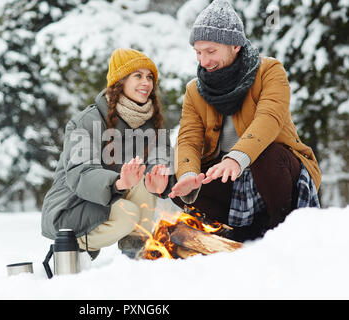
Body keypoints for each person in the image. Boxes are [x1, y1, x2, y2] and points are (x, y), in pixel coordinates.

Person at [159, 0, 321, 241]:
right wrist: (187, 175)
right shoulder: (194, 90)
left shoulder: (269, 71)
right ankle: (238, 233)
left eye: (211, 51)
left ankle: (283, 233)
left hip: (277, 171)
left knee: (268, 155)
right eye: (198, 52)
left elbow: (269, 118)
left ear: (235, 45)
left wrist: (236, 158)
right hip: (231, 180)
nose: (203, 61)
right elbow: (189, 138)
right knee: (176, 184)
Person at [41, 48, 173, 259]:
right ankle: (70, 246)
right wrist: (118, 182)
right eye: (137, 75)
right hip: (72, 206)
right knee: (128, 214)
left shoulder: (152, 125)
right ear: (120, 81)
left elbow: (163, 162)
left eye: (149, 77)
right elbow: (81, 172)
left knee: (146, 181)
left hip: (112, 199)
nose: (146, 83)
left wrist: (166, 180)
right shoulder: (86, 121)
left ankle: (136, 255)